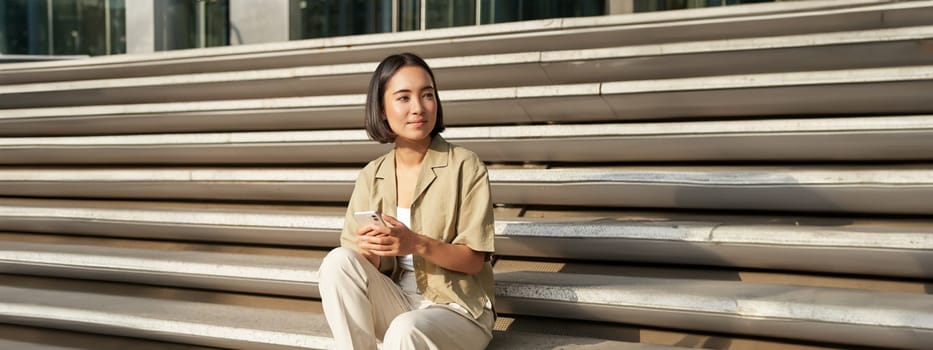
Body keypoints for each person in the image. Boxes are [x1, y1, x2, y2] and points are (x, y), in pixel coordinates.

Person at [319, 52, 496, 350]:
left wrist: (415, 243)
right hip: (399, 303)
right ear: (382, 109)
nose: (418, 108)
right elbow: (362, 265)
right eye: (403, 98)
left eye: (427, 95)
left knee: (406, 330)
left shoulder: (466, 165)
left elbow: (474, 261)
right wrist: (371, 251)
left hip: (458, 310)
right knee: (338, 262)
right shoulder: (372, 175)